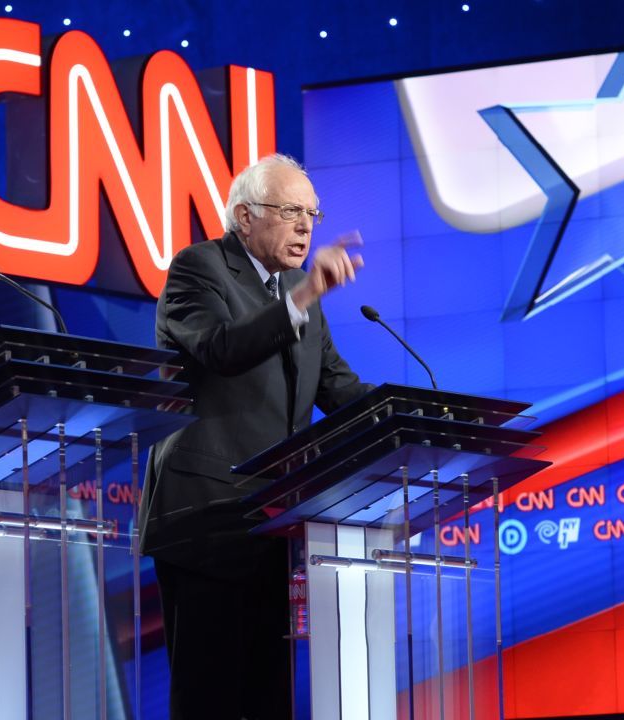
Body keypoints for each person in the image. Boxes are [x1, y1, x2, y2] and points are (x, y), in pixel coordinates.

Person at [139, 154, 373, 719]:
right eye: (291, 211)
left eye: (312, 214)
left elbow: (338, 389)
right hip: (207, 520)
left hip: (278, 527)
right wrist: (303, 296)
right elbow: (222, 348)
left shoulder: (298, 292)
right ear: (244, 216)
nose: (306, 226)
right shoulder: (198, 268)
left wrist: (425, 419)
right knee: (209, 700)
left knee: (271, 700)